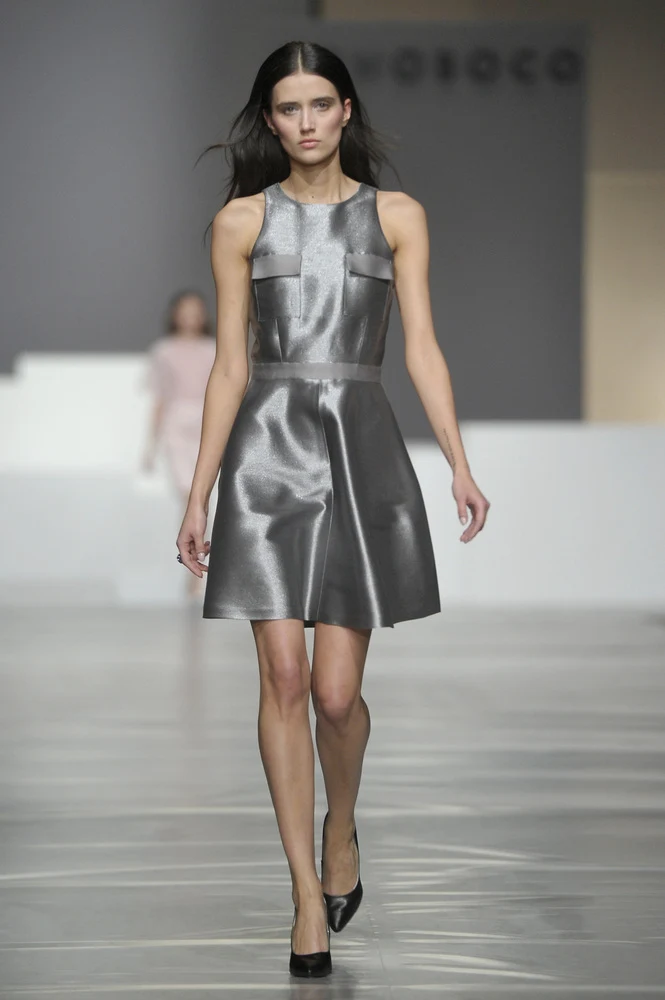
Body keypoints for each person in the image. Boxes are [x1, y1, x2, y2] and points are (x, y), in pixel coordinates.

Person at [176, 41, 490, 978]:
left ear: (346, 110)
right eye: (288, 108)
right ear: (269, 120)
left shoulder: (396, 216)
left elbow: (421, 346)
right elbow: (228, 366)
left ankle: (340, 827)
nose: (305, 122)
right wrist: (198, 493)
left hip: (359, 446)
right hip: (266, 454)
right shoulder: (240, 221)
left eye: (320, 104)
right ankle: (305, 898)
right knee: (282, 677)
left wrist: (459, 464)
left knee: (335, 695)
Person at [143, 291, 216, 599]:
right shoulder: (163, 351)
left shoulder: (213, 349)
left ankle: (194, 568)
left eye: (195, 310)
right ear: (175, 314)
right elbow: (160, 398)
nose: (190, 316)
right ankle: (193, 567)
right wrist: (150, 447)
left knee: (201, 495)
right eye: (184, 310)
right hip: (176, 427)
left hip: (207, 423)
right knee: (190, 496)